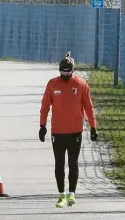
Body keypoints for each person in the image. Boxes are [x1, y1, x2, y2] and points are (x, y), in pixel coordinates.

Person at [39, 52, 98, 208]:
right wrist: (42, 125)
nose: (65, 74)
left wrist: (93, 126)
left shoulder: (81, 84)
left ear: (73, 69)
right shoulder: (52, 84)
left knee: (73, 162)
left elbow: (89, 107)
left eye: (68, 71)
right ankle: (61, 194)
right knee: (59, 163)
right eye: (62, 71)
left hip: (75, 131)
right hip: (57, 131)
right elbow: (45, 106)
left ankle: (72, 193)